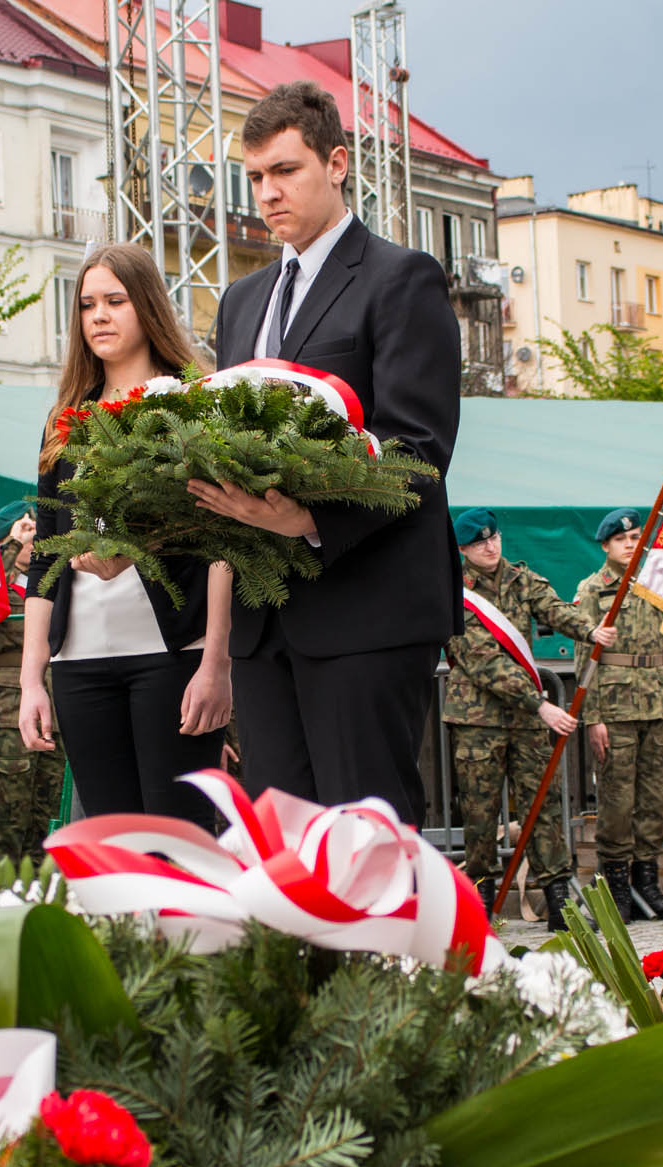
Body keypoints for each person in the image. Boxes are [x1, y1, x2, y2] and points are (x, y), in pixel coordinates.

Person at [193, 80, 460, 824]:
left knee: (365, 838)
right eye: (255, 177)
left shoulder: (401, 278)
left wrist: (309, 518)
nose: (267, 193)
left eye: (285, 170)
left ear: (337, 163)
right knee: (283, 843)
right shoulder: (241, 302)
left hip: (367, 611)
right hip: (263, 621)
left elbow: (418, 450)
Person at [19, 243, 231, 822]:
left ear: (148, 306)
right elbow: (46, 557)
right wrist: (31, 680)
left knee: (179, 844)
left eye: (115, 301)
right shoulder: (65, 419)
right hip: (78, 663)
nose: (99, 317)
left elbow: (222, 541)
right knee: (114, 846)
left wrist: (217, 662)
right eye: (87, 305)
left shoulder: (192, 403)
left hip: (175, 657)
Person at [443, 507, 614, 925]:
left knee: (544, 806)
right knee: (480, 814)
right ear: (463, 549)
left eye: (494, 538)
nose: (490, 547)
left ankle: (559, 903)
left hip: (526, 722)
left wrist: (589, 630)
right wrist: (540, 703)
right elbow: (482, 660)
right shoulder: (453, 592)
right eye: (479, 543)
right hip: (478, 720)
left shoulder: (523, 580)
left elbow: (555, 609)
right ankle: (480, 905)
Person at [578, 508, 663, 922]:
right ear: (605, 545)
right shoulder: (593, 589)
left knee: (656, 800)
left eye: (636, 537)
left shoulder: (656, 586)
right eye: (621, 539)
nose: (629, 544)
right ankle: (617, 886)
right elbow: (586, 654)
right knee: (617, 801)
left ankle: (648, 883)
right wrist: (593, 717)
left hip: (656, 703)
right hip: (615, 707)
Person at [0, 500, 66, 861]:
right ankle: (0, 895)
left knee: (45, 827)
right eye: (26, 530)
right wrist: (12, 544)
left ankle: (36, 894)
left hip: (52, 714)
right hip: (6, 712)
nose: (34, 540)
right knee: (7, 824)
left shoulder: (47, 586)